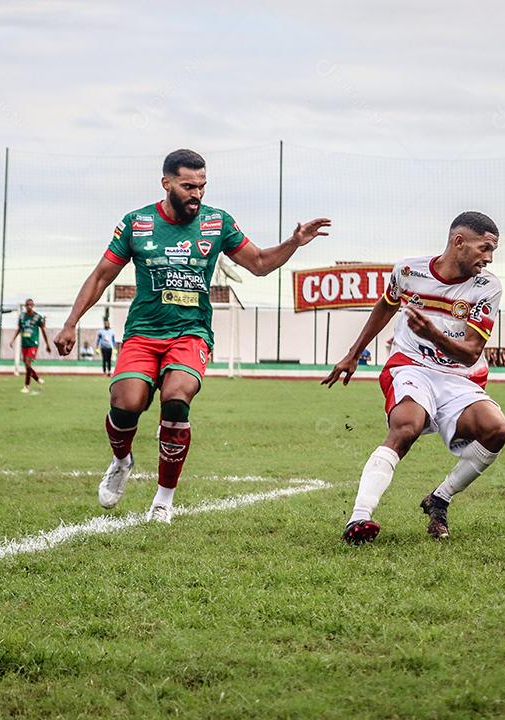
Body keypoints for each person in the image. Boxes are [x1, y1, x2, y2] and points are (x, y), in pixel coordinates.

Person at [53, 148, 330, 524]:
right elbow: (102, 275)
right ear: (166, 183)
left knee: (176, 398)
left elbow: (260, 263)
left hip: (191, 333)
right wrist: (71, 322)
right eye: (187, 186)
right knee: (126, 402)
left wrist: (293, 243)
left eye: (202, 186)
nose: (196, 194)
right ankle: (121, 460)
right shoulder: (137, 223)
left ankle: (163, 500)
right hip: (144, 332)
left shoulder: (218, 223)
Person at [323, 211, 505, 544]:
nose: (489, 258)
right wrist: (353, 354)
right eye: (484, 248)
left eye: (493, 251)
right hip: (411, 367)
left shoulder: (488, 287)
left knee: (496, 429)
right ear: (459, 241)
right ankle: (359, 517)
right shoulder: (408, 271)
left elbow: (470, 351)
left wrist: (435, 335)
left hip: (458, 376)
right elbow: (385, 305)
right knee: (405, 426)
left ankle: (440, 498)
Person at [9, 298, 51, 393]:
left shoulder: (37, 317)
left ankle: (26, 386)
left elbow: (43, 331)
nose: (29, 306)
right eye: (27, 305)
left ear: (33, 306)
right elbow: (19, 329)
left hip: (33, 344)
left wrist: (47, 344)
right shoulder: (22, 317)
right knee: (27, 366)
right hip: (24, 344)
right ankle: (37, 378)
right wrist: (12, 339)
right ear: (25, 306)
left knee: (28, 363)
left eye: (30, 305)